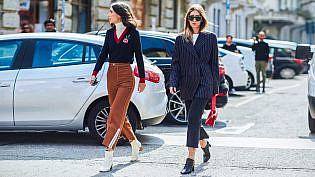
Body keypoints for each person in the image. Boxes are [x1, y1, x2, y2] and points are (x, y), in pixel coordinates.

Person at [89, 2, 146, 172]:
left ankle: (108, 155)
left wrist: (142, 79)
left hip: (127, 77)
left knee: (114, 116)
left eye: (110, 12)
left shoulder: (133, 33)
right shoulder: (109, 33)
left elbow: (139, 57)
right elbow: (103, 54)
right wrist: (95, 72)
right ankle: (135, 143)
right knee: (119, 113)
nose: (108, 14)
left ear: (119, 15)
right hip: (111, 75)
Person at [169, 4, 219, 175]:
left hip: (204, 83)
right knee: (194, 120)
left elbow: (214, 64)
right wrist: (173, 82)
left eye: (198, 17)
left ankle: (190, 159)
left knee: (192, 120)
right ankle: (205, 144)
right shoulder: (181, 39)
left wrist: (215, 88)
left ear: (202, 19)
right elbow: (175, 64)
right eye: (192, 17)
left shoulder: (210, 38)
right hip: (187, 84)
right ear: (187, 20)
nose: (195, 20)